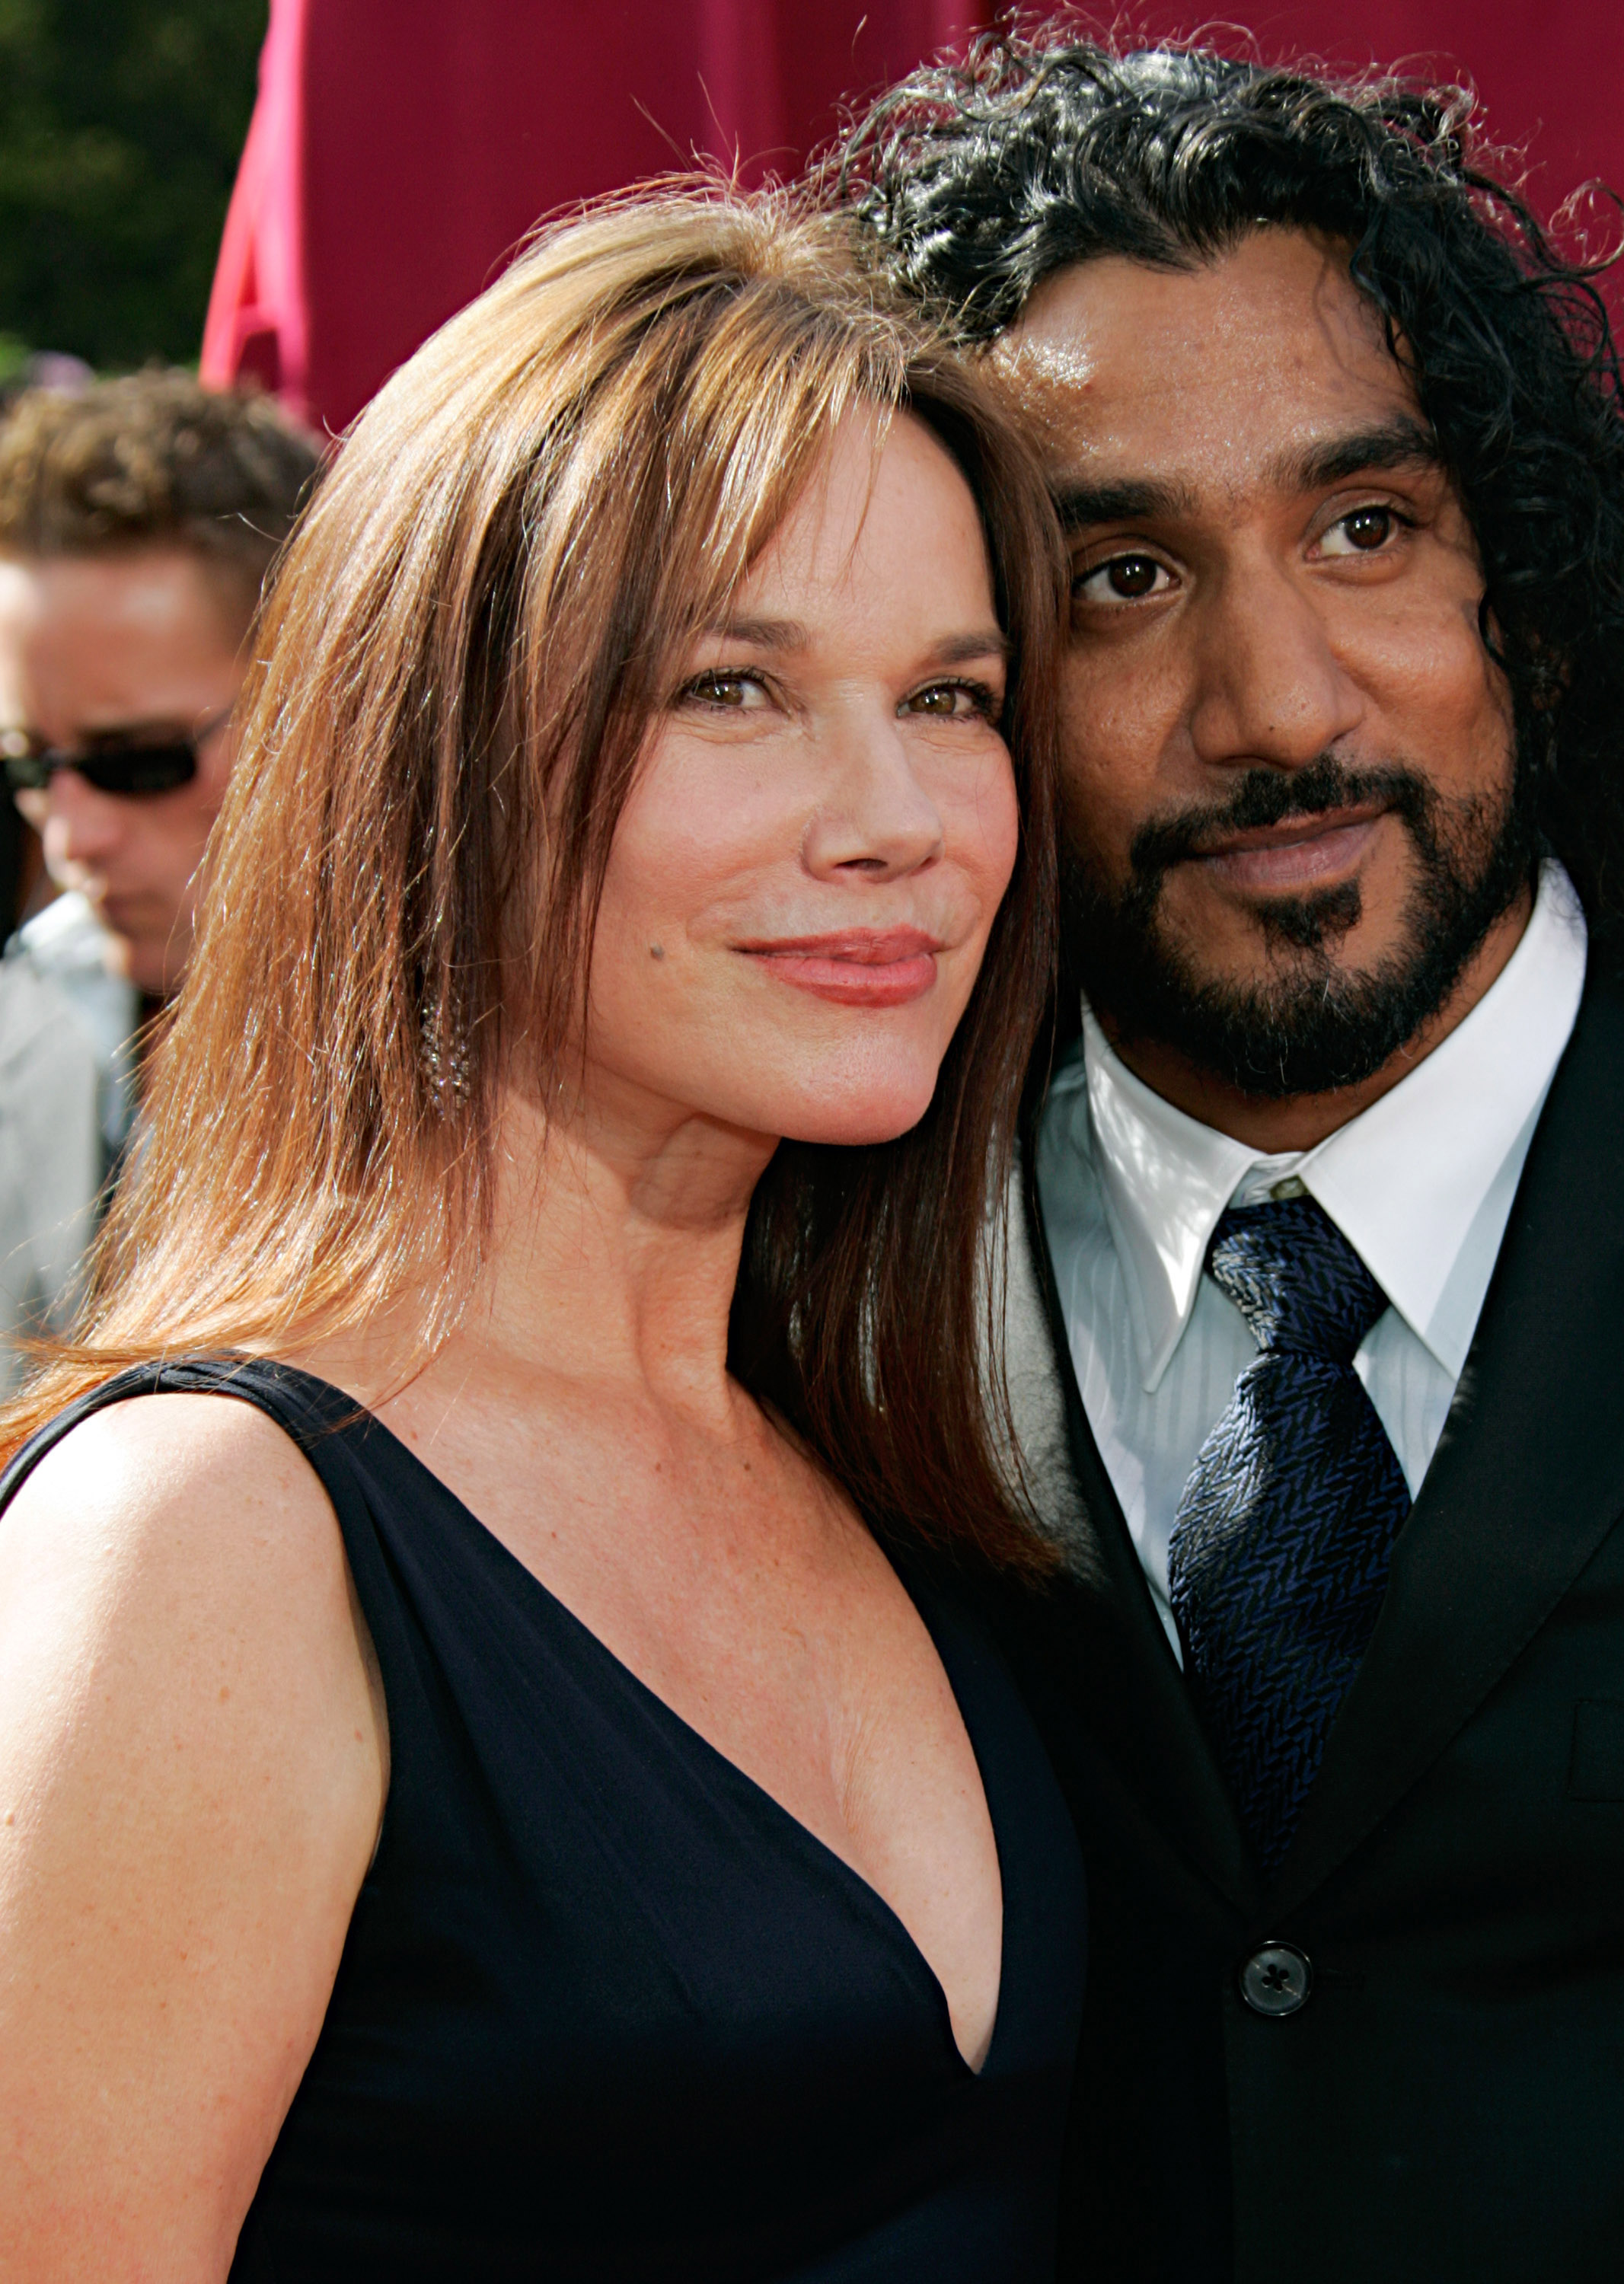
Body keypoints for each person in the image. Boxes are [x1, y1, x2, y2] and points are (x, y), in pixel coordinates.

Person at [845, 35, 1624, 2282]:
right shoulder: (795, 1300)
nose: (1279, 705)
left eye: (1366, 527)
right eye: (1118, 577)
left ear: (1536, 583)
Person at [0, 191, 1083, 2281]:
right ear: (438, 752)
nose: (899, 817)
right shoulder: (204, 1539)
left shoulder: (882, 1459)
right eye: (733, 691)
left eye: (951, 699)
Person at [0, 372, 323, 1176]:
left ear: (320, 698)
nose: (74, 836)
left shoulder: (523, 1078)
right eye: (30, 763)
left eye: (140, 762)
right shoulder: (29, 1014)